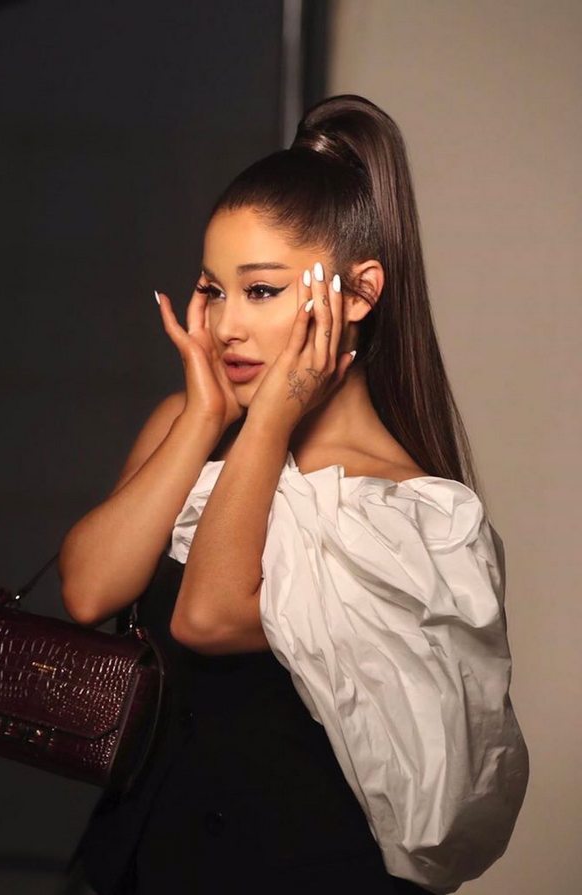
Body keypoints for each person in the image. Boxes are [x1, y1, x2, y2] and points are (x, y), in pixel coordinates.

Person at [56, 94, 529, 895]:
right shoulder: (189, 425)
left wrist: (272, 417)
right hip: (132, 867)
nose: (225, 326)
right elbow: (88, 589)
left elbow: (206, 616)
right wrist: (204, 416)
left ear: (359, 293)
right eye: (213, 290)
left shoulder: (409, 512)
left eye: (263, 291)